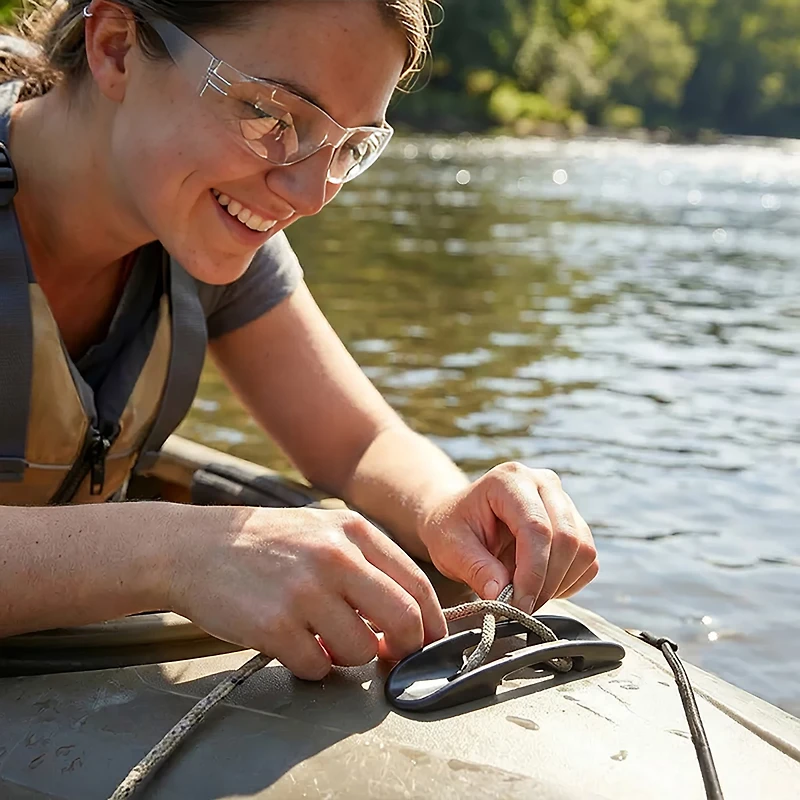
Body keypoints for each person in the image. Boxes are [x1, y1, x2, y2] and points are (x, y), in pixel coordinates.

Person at [0, 0, 598, 680]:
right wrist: (176, 550)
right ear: (116, 48)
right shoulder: (202, 202)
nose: (311, 194)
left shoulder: (205, 220)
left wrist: (447, 506)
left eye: (348, 147)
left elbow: (359, 443)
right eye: (271, 115)